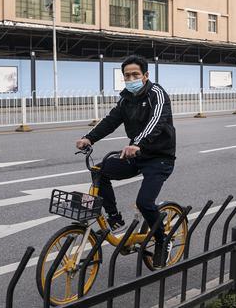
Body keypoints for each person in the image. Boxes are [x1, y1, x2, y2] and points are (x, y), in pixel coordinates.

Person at [75, 54, 176, 267]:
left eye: (135, 75)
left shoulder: (157, 94)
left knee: (144, 202)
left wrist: (137, 143)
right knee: (99, 170)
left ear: (146, 75)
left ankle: (162, 239)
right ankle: (114, 218)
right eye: (127, 75)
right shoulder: (126, 99)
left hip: (159, 157)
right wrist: (89, 137)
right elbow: (111, 120)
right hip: (136, 154)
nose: (131, 79)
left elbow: (156, 121)